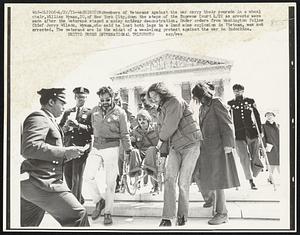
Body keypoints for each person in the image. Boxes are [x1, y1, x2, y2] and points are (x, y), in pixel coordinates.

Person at [20, 88, 89, 227]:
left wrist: (69, 154)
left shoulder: (48, 120)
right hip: (43, 183)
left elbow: (45, 153)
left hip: (34, 184)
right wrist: (64, 152)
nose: (64, 107)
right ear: (51, 102)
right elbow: (29, 147)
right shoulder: (39, 117)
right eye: (62, 103)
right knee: (78, 215)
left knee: (27, 225)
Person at [147, 82, 202, 227]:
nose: (153, 99)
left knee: (183, 182)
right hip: (175, 147)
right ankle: (167, 217)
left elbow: (169, 126)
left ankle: (182, 216)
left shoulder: (175, 101)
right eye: (150, 97)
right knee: (169, 178)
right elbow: (162, 130)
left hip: (191, 145)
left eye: (155, 96)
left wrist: (159, 144)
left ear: (162, 92)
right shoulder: (160, 109)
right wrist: (163, 154)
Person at [191, 83, 240, 225]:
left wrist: (228, 145)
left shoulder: (216, 102)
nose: (197, 100)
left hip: (219, 147)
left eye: (198, 96)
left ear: (203, 94)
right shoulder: (202, 108)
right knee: (204, 176)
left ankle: (222, 213)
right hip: (207, 149)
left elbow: (227, 124)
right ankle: (212, 202)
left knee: (219, 181)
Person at [83, 86, 132, 225]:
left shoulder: (120, 112)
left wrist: (128, 150)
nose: (104, 102)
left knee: (110, 183)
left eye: (107, 99)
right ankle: (99, 201)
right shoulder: (94, 111)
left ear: (113, 98)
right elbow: (88, 127)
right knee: (88, 176)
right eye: (102, 99)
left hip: (112, 147)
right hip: (97, 147)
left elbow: (125, 133)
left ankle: (108, 212)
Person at [59, 87, 92, 204]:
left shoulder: (90, 112)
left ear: (86, 98)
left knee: (76, 175)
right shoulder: (68, 112)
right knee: (67, 174)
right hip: (68, 146)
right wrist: (65, 128)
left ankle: (75, 202)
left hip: (81, 147)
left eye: (83, 97)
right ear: (75, 97)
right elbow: (60, 128)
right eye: (79, 97)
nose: (81, 99)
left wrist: (79, 126)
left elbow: (92, 129)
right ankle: (80, 198)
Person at [227, 84, 262, 190]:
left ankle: (256, 171)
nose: (238, 93)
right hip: (238, 135)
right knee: (244, 158)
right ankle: (250, 180)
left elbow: (256, 115)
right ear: (233, 92)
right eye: (236, 91)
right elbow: (229, 119)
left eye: (240, 91)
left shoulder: (250, 101)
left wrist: (260, 130)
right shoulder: (230, 103)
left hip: (252, 132)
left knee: (255, 156)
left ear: (243, 91)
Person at [129, 109, 168, 194]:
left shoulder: (155, 128)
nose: (141, 121)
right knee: (134, 151)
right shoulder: (135, 131)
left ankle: (153, 179)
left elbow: (161, 140)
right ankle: (136, 173)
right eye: (139, 120)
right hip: (141, 151)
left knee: (151, 150)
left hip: (153, 151)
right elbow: (131, 144)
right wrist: (132, 141)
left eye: (143, 119)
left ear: (148, 119)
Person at [262, 111, 280, 184]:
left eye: (271, 115)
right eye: (267, 115)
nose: (269, 117)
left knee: (279, 163)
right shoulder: (263, 126)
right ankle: (271, 178)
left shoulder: (277, 125)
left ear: (273, 116)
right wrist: (264, 146)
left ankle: (270, 178)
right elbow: (263, 137)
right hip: (270, 147)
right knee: (272, 164)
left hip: (278, 147)